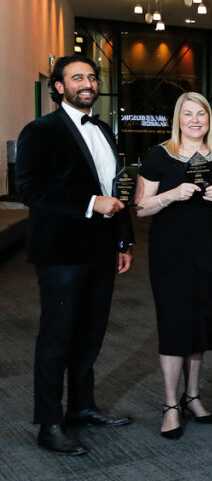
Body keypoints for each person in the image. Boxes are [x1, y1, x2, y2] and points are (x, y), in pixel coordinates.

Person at [15, 55, 134, 456]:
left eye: (91, 76)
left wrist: (123, 241)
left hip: (101, 250)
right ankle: (49, 423)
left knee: (90, 334)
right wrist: (89, 203)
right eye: (77, 77)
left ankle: (81, 407)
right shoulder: (40, 131)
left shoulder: (102, 129)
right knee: (57, 337)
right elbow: (30, 190)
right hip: (61, 252)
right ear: (59, 87)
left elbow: (114, 188)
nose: (87, 82)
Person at [135, 92, 212, 439]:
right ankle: (170, 405)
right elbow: (141, 207)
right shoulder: (159, 156)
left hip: (210, 250)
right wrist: (170, 195)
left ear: (210, 120)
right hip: (171, 254)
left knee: (202, 322)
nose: (195, 120)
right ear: (178, 118)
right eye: (188, 114)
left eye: (202, 115)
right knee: (175, 324)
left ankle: (192, 396)